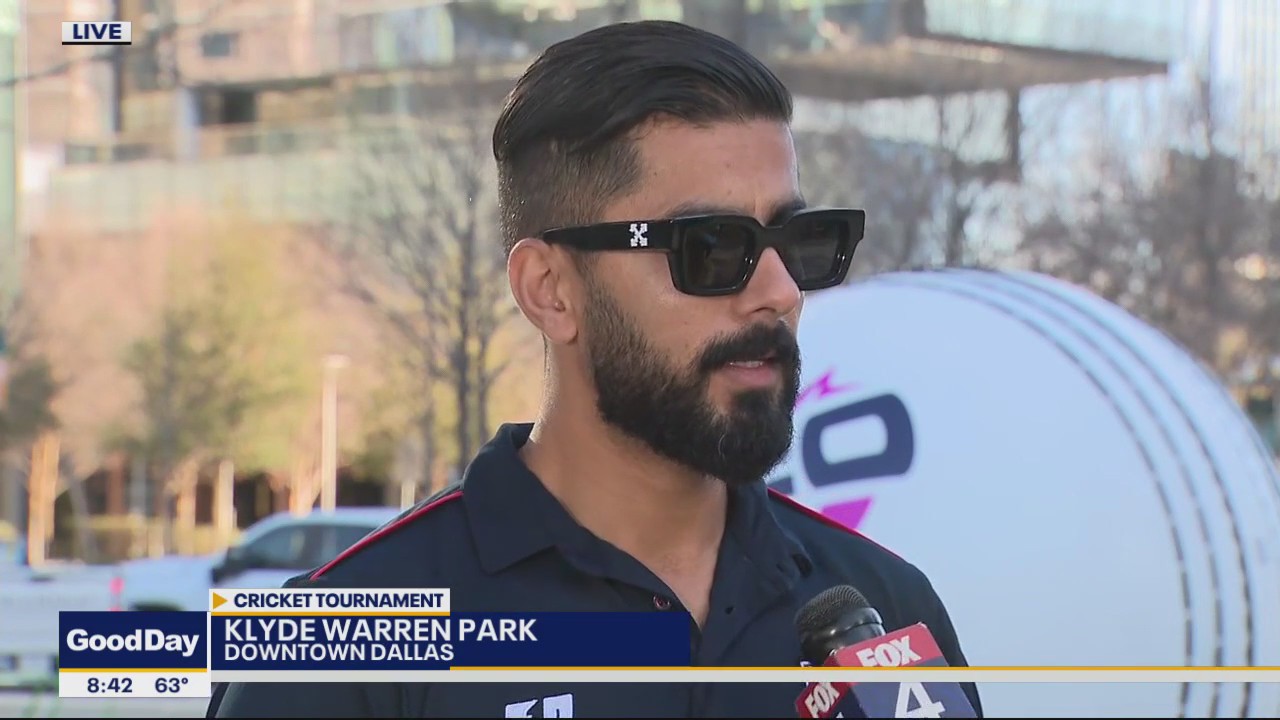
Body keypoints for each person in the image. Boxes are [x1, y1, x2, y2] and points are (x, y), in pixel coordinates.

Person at [209, 19, 982, 719]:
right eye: (710, 249)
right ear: (550, 290)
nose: (778, 291)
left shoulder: (882, 609)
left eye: (796, 241)